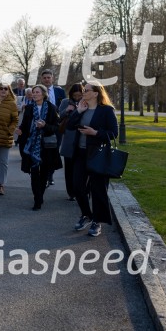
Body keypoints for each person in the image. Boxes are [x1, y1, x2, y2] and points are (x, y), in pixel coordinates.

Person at [66, 81, 119, 237]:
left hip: (98, 154)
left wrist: (95, 133)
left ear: (96, 93)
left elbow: (113, 133)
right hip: (80, 153)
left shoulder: (107, 110)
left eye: (87, 90)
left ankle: (97, 221)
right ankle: (86, 215)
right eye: (84, 90)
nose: (83, 92)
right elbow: (69, 127)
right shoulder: (82, 107)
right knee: (77, 187)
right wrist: (78, 112)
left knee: (98, 190)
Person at [17, 85, 61, 211]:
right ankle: (37, 199)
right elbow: (24, 125)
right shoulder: (30, 108)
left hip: (47, 146)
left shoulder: (52, 108)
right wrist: (20, 130)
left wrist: (45, 125)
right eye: (33, 92)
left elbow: (56, 128)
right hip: (32, 145)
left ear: (44, 94)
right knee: (34, 173)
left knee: (44, 174)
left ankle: (40, 195)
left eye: (37, 92)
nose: (34, 94)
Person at [57, 84, 84, 201]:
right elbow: (58, 117)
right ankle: (71, 192)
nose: (77, 97)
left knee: (80, 168)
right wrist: (67, 110)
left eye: (79, 95)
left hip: (82, 137)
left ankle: (80, 191)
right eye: (75, 95)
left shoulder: (86, 102)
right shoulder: (65, 102)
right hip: (69, 137)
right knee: (69, 168)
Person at [40, 69, 66, 187]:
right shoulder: (38, 91)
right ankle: (43, 176)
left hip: (56, 126)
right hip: (42, 126)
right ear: (41, 79)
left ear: (52, 79)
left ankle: (50, 175)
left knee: (54, 151)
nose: (46, 79)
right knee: (43, 151)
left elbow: (65, 106)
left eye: (48, 77)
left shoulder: (60, 92)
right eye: (44, 78)